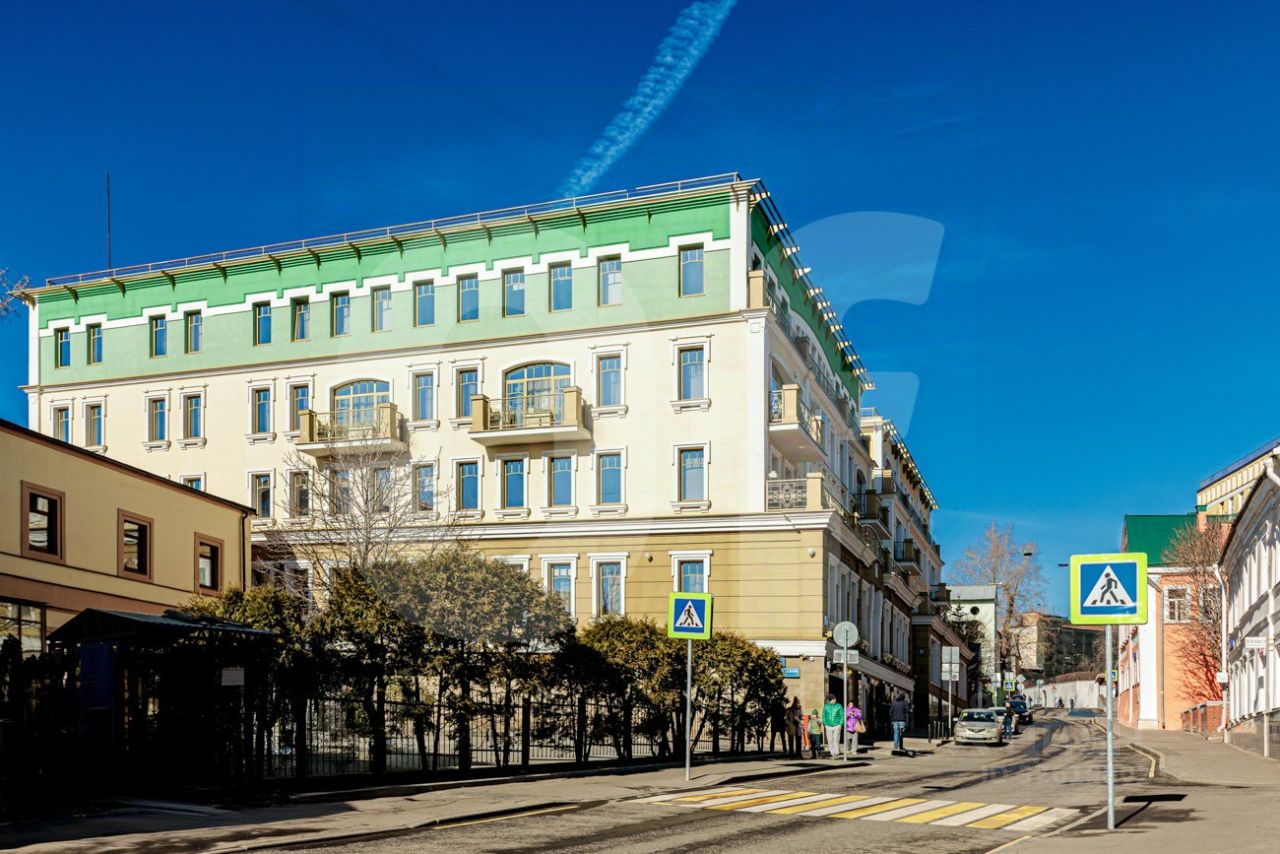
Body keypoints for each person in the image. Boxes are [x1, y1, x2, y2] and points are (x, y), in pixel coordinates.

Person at [821, 694, 845, 758]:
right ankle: (832, 753)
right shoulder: (826, 706)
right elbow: (823, 715)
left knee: (836, 739)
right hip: (828, 725)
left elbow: (842, 716)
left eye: (835, 699)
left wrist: (840, 724)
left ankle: (836, 752)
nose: (835, 700)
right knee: (830, 740)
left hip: (837, 725)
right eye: (834, 699)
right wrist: (825, 723)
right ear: (831, 700)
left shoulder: (839, 706)